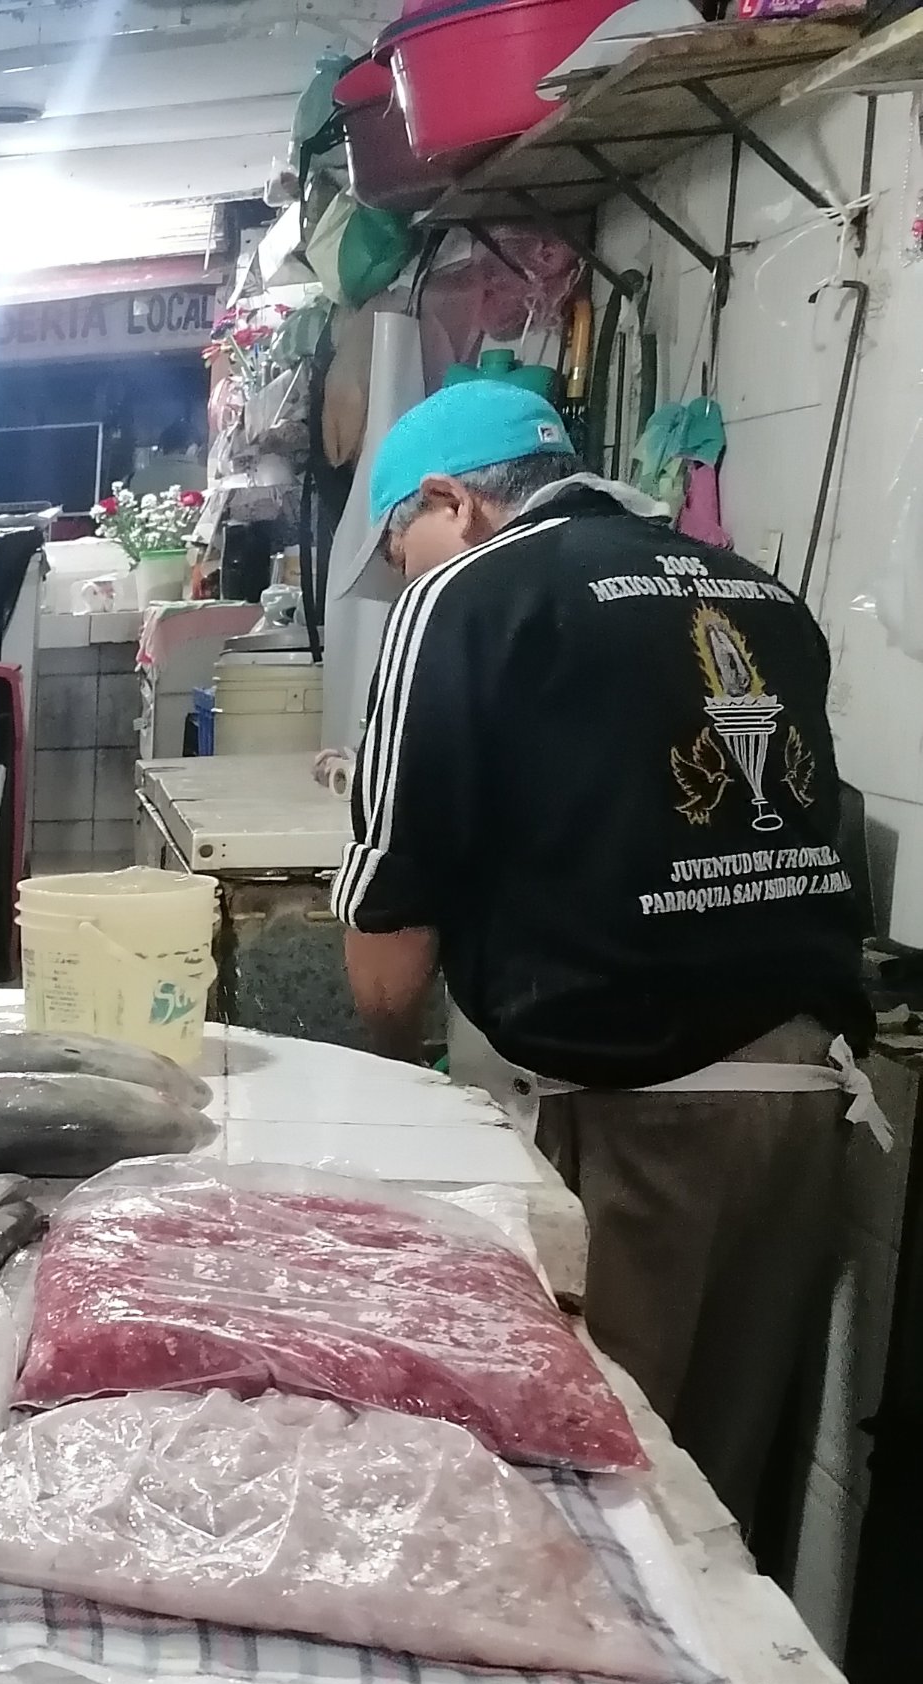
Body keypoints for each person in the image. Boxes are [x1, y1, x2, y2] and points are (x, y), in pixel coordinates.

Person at [336, 378, 873, 1545]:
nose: (404, 580)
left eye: (399, 549)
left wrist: (397, 1076)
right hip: (802, 1110)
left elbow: (392, 892)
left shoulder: (466, 595)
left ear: (452, 502)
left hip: (626, 1128)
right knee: (717, 1516)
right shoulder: (756, 591)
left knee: (593, 1515)